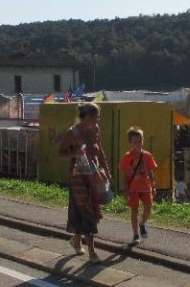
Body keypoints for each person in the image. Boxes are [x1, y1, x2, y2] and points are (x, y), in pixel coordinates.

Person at [57, 102, 110, 262]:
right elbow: (61, 153)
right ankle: (92, 253)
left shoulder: (95, 130)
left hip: (94, 175)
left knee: (87, 210)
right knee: (87, 212)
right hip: (78, 178)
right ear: (86, 116)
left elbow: (99, 150)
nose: (97, 119)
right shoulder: (72, 133)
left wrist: (107, 170)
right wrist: (75, 152)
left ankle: (76, 240)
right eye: (96, 116)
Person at [118, 127, 157, 244]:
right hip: (133, 188)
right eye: (135, 142)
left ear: (143, 141)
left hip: (145, 186)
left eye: (140, 141)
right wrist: (125, 189)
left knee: (148, 208)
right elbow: (125, 175)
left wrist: (153, 186)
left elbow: (151, 172)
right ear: (130, 143)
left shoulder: (147, 155)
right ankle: (135, 234)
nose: (138, 144)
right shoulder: (127, 157)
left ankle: (142, 223)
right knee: (134, 210)